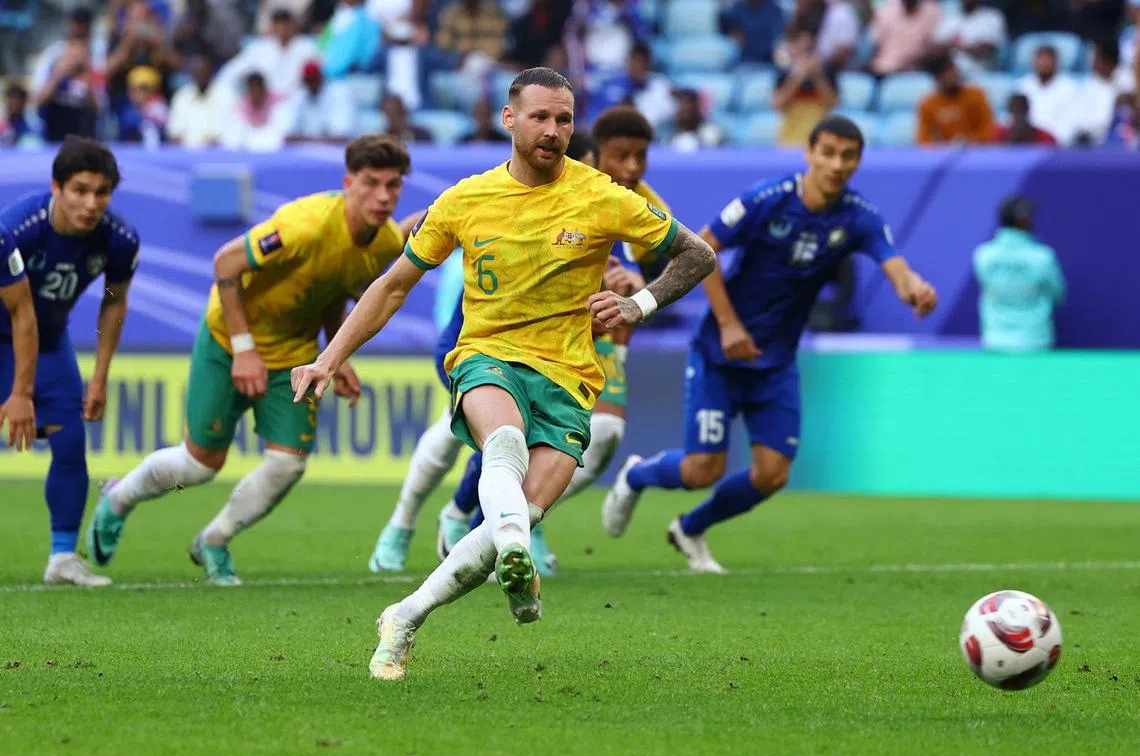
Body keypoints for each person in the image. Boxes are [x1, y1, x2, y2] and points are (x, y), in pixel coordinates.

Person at [290, 67, 716, 680]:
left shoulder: (602, 194)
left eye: (564, 119)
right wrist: (330, 358)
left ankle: (405, 617)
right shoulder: (465, 199)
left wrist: (635, 304)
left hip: (569, 379)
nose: (552, 130)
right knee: (505, 446)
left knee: (511, 518)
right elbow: (391, 287)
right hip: (487, 356)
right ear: (509, 119)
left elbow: (696, 254)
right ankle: (512, 548)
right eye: (540, 117)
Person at [601, 115, 939, 573]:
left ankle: (691, 527)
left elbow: (896, 267)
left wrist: (915, 289)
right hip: (720, 353)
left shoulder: (859, 216)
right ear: (810, 154)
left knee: (773, 474)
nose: (836, 164)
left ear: (858, 161)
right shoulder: (768, 198)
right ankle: (637, 474)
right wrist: (729, 325)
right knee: (703, 469)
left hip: (776, 362)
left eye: (848, 156)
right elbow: (701, 251)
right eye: (828, 152)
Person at [87, 135, 418, 586]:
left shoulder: (382, 243)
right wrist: (244, 350)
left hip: (294, 355)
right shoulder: (305, 224)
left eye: (393, 185)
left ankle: (215, 541)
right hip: (230, 341)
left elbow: (333, 290)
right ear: (348, 182)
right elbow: (225, 263)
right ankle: (119, 497)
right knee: (198, 466)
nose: (383, 196)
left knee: (289, 462)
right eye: (371, 183)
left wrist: (335, 355)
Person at [435, 107, 672, 562]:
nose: (633, 169)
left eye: (641, 158)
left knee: (601, 436)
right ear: (594, 153)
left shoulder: (638, 201)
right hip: (504, 334)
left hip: (590, 341)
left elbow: (669, 270)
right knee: (506, 434)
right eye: (622, 157)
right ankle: (461, 514)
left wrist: (635, 298)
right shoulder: (548, 187)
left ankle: (522, 518)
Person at [367, 132, 598, 575]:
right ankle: (421, 522)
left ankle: (490, 526)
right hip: (471, 344)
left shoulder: (593, 209)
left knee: (512, 439)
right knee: (497, 435)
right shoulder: (501, 201)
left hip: (543, 356)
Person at [0, 137, 139, 585]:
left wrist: (99, 377)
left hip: (47, 341)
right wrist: (19, 393)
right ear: (56, 187)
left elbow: (113, 303)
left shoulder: (118, 240)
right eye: (80, 189)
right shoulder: (17, 229)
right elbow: (19, 312)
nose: (91, 202)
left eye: (101, 192)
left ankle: (62, 558)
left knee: (70, 440)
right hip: (11, 333)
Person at [973, 196, 1065, 352]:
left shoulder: (983, 255)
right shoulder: (1042, 257)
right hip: (1035, 341)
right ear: (1022, 220)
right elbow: (1058, 295)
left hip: (995, 340)